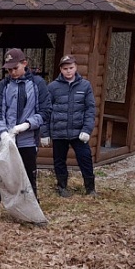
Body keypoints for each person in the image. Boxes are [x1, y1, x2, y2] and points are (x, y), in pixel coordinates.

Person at [0, 48, 51, 219]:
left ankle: (31, 213)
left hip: (27, 140)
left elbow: (46, 111)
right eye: (9, 69)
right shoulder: (3, 85)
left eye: (15, 68)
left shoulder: (38, 84)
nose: (12, 72)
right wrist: (3, 132)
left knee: (28, 176)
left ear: (24, 64)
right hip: (5, 141)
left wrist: (27, 125)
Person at [42, 55, 97, 197]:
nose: (68, 71)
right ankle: (62, 187)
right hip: (59, 132)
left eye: (71, 68)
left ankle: (90, 189)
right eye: (65, 68)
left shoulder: (85, 86)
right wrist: (45, 133)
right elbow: (46, 111)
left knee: (85, 158)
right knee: (59, 160)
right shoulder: (53, 87)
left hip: (79, 132)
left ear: (76, 67)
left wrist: (87, 130)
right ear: (61, 69)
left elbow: (90, 110)